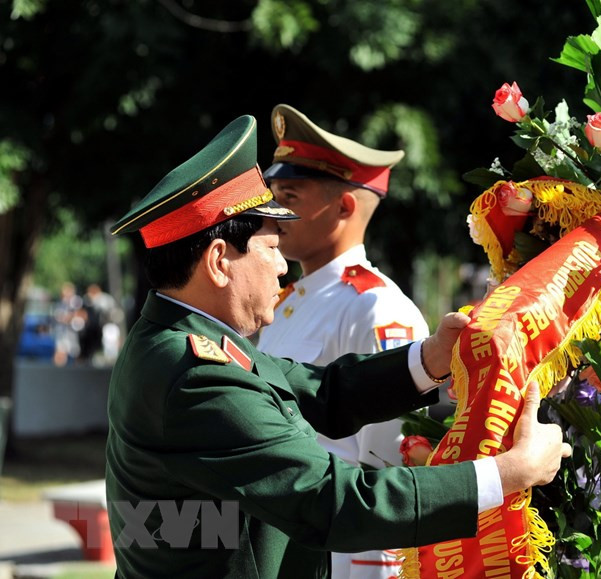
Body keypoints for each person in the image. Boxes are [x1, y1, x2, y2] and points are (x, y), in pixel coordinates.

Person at [105, 114, 571, 578]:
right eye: (270, 249)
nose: (282, 267)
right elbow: (335, 502)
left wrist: (430, 359)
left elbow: (318, 391)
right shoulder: (195, 373)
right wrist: (509, 474)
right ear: (219, 261)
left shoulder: (176, 341)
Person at [255, 104, 429, 578]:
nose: (272, 210)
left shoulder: (376, 309)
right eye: (272, 193)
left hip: (344, 558)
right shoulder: (289, 299)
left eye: (289, 195)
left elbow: (389, 466)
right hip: (286, 544)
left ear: (345, 206)